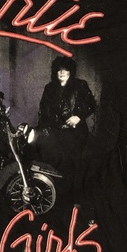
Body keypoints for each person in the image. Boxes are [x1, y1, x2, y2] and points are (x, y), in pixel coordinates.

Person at [37, 56, 96, 191]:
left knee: (75, 166)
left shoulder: (80, 85)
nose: (62, 72)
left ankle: (75, 196)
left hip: (75, 133)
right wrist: (42, 129)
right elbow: (43, 111)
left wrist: (79, 117)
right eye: (59, 70)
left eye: (65, 70)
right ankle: (58, 194)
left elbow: (91, 105)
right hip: (55, 133)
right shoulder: (49, 88)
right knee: (55, 165)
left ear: (71, 71)